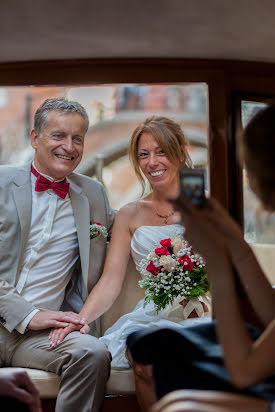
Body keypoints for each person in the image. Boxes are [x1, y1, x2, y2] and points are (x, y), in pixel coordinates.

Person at [49, 116, 211, 410]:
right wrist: (80, 320)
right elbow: (111, 281)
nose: (152, 162)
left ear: (179, 152)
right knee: (144, 360)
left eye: (161, 151)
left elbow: (222, 263)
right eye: (144, 155)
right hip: (154, 311)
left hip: (202, 306)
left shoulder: (200, 200)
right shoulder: (131, 213)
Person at [127, 104, 275, 411]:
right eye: (144, 154)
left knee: (180, 403)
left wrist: (216, 263)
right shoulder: (133, 212)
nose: (245, 179)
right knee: (178, 399)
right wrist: (236, 242)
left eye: (246, 167)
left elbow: (244, 371)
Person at [0, 98, 116, 412]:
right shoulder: (0, 183)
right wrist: (27, 314)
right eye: (58, 135)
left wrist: (176, 211)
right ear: (35, 138)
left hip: (45, 335)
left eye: (77, 138)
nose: (69, 146)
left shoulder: (93, 194)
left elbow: (128, 224)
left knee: (92, 353)